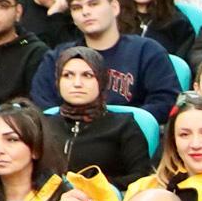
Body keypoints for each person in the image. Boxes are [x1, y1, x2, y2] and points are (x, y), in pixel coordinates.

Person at [28, 0, 180, 124]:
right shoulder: (57, 57)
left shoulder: (147, 51)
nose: (85, 12)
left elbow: (165, 102)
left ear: (114, 7)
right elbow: (42, 106)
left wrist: (112, 125)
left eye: (93, 4)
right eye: (76, 7)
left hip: (130, 139)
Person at [44, 46, 155, 185]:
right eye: (68, 75)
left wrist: (93, 187)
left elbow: (141, 178)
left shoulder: (123, 125)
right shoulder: (44, 125)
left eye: (87, 75)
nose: (77, 84)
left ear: (101, 80)